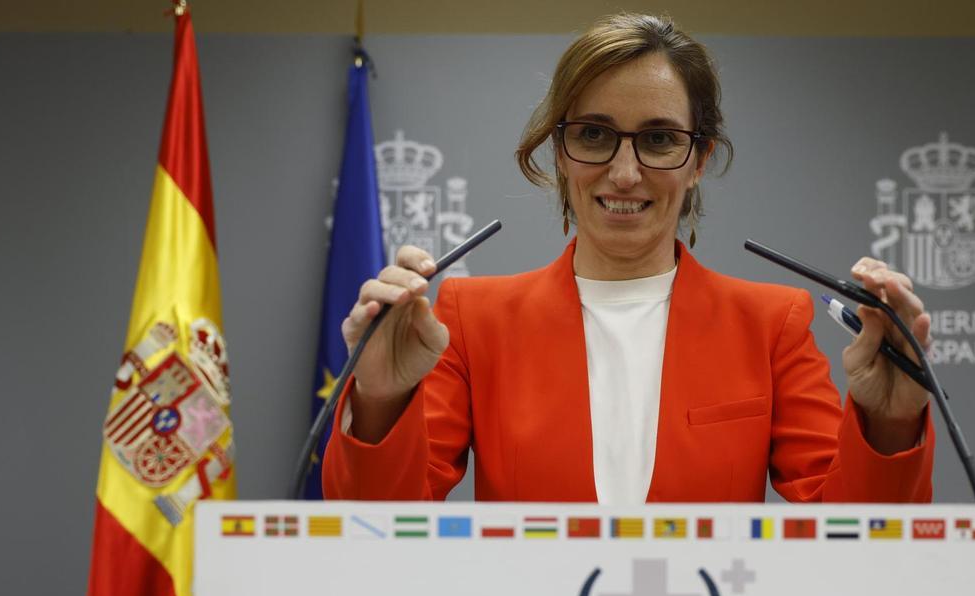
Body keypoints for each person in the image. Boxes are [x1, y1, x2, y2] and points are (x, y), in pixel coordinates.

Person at [322, 13, 934, 504]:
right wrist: (379, 399)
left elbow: (849, 547)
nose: (623, 172)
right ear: (559, 151)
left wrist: (889, 424)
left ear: (699, 159)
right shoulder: (474, 317)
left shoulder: (770, 323)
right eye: (593, 134)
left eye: (660, 139)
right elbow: (384, 540)